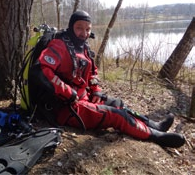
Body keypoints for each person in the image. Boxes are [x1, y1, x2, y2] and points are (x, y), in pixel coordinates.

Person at [29, 10, 185, 148]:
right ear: (71, 27)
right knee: (116, 115)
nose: (84, 33)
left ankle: (154, 125)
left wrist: (96, 91)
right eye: (79, 28)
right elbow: (41, 70)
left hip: (85, 98)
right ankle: (155, 136)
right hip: (65, 107)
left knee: (118, 104)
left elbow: (93, 74)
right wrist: (67, 92)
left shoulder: (84, 48)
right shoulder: (60, 45)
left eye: (87, 29)